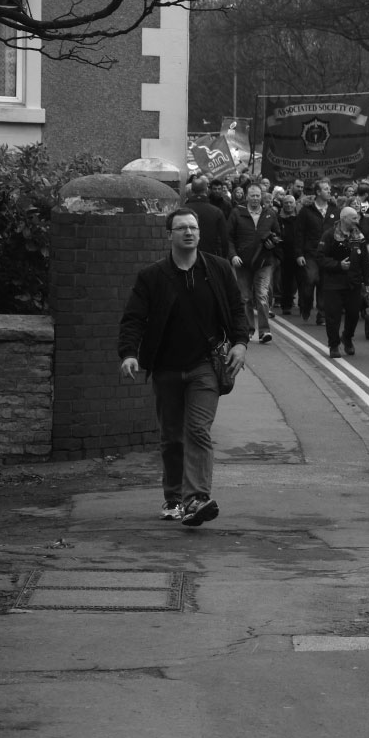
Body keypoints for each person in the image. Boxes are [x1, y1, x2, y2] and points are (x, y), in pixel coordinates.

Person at [118, 208, 249, 527]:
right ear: (170, 235)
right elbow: (133, 319)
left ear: (199, 234)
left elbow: (236, 310)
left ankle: (197, 498)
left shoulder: (217, 269)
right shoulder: (152, 276)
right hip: (165, 367)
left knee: (198, 429)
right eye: (181, 228)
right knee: (173, 436)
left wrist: (241, 343)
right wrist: (129, 354)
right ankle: (174, 499)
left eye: (193, 227)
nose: (189, 232)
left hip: (205, 366)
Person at [226, 184, 282, 344]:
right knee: (245, 298)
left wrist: (274, 242)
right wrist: (233, 255)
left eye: (258, 196)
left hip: (264, 262)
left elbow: (278, 235)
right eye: (252, 196)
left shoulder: (270, 214)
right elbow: (228, 237)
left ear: (261, 196)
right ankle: (248, 330)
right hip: (242, 263)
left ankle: (264, 332)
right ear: (247, 196)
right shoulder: (237, 213)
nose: (255, 198)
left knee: (262, 296)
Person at [315, 204, 369, 358]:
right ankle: (333, 344)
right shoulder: (329, 235)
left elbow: (365, 261)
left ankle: (347, 337)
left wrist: (368, 282)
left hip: (353, 283)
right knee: (333, 316)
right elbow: (320, 258)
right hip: (333, 283)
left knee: (353, 315)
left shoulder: (359, 236)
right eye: (354, 218)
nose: (357, 221)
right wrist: (338, 265)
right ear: (344, 218)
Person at [293, 179, 335, 324]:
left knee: (324, 283)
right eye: (325, 189)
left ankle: (322, 314)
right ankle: (306, 304)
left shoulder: (334, 210)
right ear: (318, 192)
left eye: (329, 189)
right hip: (310, 252)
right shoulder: (306, 211)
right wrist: (298, 254)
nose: (329, 191)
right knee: (310, 279)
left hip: (328, 254)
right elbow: (299, 233)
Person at [184, 176, 231, 259]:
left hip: (187, 255)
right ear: (206, 190)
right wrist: (223, 257)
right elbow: (224, 237)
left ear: (191, 191)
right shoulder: (217, 212)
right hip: (211, 257)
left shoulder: (183, 210)